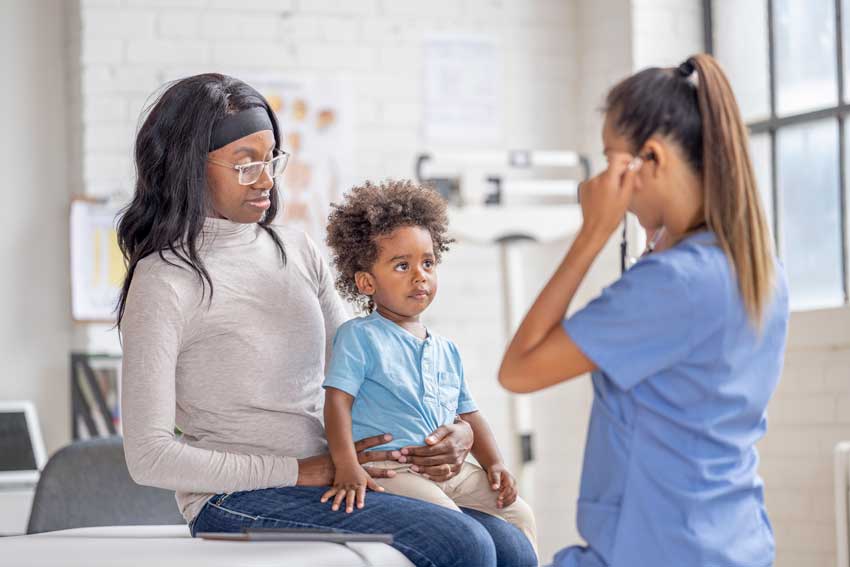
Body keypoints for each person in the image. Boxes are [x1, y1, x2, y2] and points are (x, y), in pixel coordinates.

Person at [117, 73, 537, 567]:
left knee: (509, 543)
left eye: (271, 159)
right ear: (188, 168)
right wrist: (300, 470)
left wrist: (458, 432)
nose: (267, 180)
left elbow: (367, 369)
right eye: (245, 165)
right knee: (461, 543)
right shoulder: (164, 280)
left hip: (337, 467)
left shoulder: (295, 248)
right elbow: (148, 456)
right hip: (234, 498)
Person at [499, 54, 789, 567]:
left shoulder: (674, 283)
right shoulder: (757, 268)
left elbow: (519, 369)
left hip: (657, 550)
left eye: (611, 158)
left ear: (650, 159)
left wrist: (592, 233)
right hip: (729, 543)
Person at [320, 180, 537, 554]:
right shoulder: (360, 337)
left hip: (454, 471)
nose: (420, 275)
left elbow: (470, 416)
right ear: (366, 282)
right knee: (456, 532)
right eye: (402, 265)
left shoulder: (446, 349)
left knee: (519, 514)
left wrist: (495, 463)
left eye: (428, 262)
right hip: (398, 471)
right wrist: (346, 465)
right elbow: (337, 403)